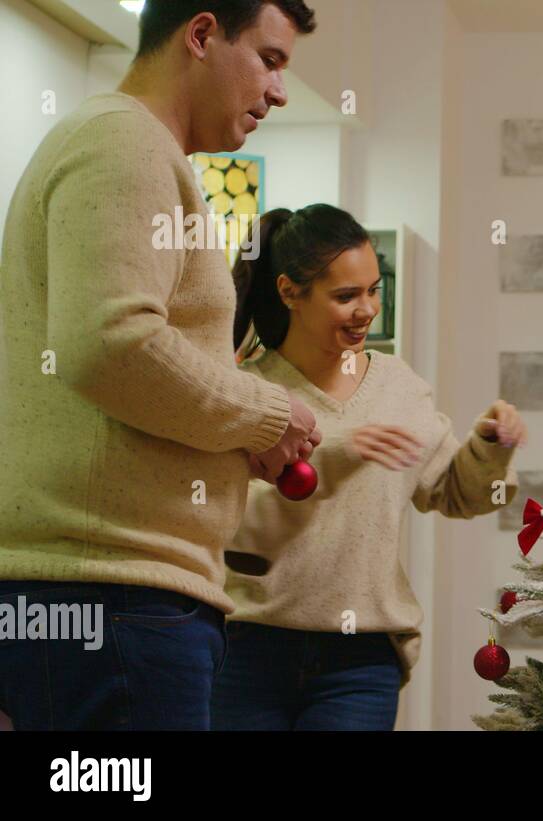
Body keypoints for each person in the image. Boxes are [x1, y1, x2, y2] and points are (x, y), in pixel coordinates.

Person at [0, 1, 321, 730]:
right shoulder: (127, 143)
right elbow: (110, 343)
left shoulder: (132, 148)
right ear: (202, 36)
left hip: (109, 603)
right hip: (115, 604)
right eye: (269, 60)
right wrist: (266, 415)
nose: (279, 92)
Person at [211, 204, 523, 730]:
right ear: (290, 292)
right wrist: (336, 455)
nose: (367, 310)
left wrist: (489, 445)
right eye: (346, 296)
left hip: (359, 663)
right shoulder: (247, 394)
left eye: (374, 290)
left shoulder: (397, 386)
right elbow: (233, 528)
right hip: (246, 651)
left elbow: (456, 493)